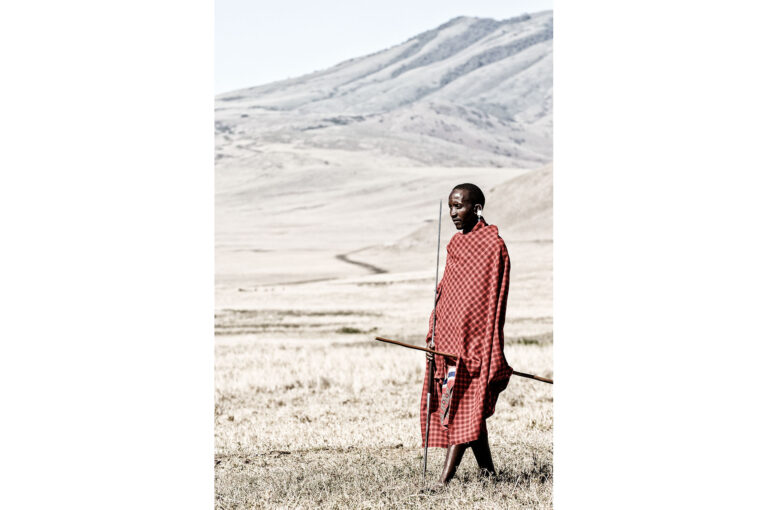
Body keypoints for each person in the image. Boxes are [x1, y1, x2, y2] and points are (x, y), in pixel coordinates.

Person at [420, 183, 513, 485]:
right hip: (448, 341)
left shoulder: (492, 246)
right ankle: (489, 474)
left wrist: (482, 342)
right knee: (468, 409)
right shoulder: (456, 245)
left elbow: (488, 301)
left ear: (476, 208)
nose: (452, 213)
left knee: (461, 406)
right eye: (449, 206)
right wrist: (436, 330)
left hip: (474, 344)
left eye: (458, 206)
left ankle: (443, 482)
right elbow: (446, 293)